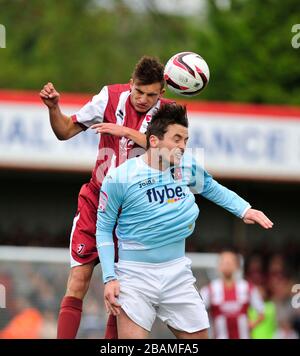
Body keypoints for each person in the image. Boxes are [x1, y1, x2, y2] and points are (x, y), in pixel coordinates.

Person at [96, 103, 273, 339]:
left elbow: (211, 187)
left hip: (177, 272)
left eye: (186, 140)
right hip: (134, 276)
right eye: (176, 139)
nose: (182, 146)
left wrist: (244, 210)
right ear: (154, 141)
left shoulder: (185, 167)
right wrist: (110, 278)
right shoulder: (119, 177)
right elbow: (104, 228)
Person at [40, 56, 172, 339]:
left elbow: (169, 155)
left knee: (121, 296)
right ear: (130, 83)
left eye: (151, 94)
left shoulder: (170, 114)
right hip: (97, 201)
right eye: (138, 91)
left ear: (162, 93)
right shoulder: (109, 97)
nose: (142, 99)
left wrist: (124, 131)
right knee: (78, 279)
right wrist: (54, 108)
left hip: (136, 211)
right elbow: (64, 131)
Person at [201, 250, 265, 339]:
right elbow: (197, 312)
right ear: (219, 266)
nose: (227, 265)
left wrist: (251, 325)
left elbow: (261, 313)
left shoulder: (247, 287)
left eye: (230, 262)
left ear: (236, 266)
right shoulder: (209, 289)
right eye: (224, 262)